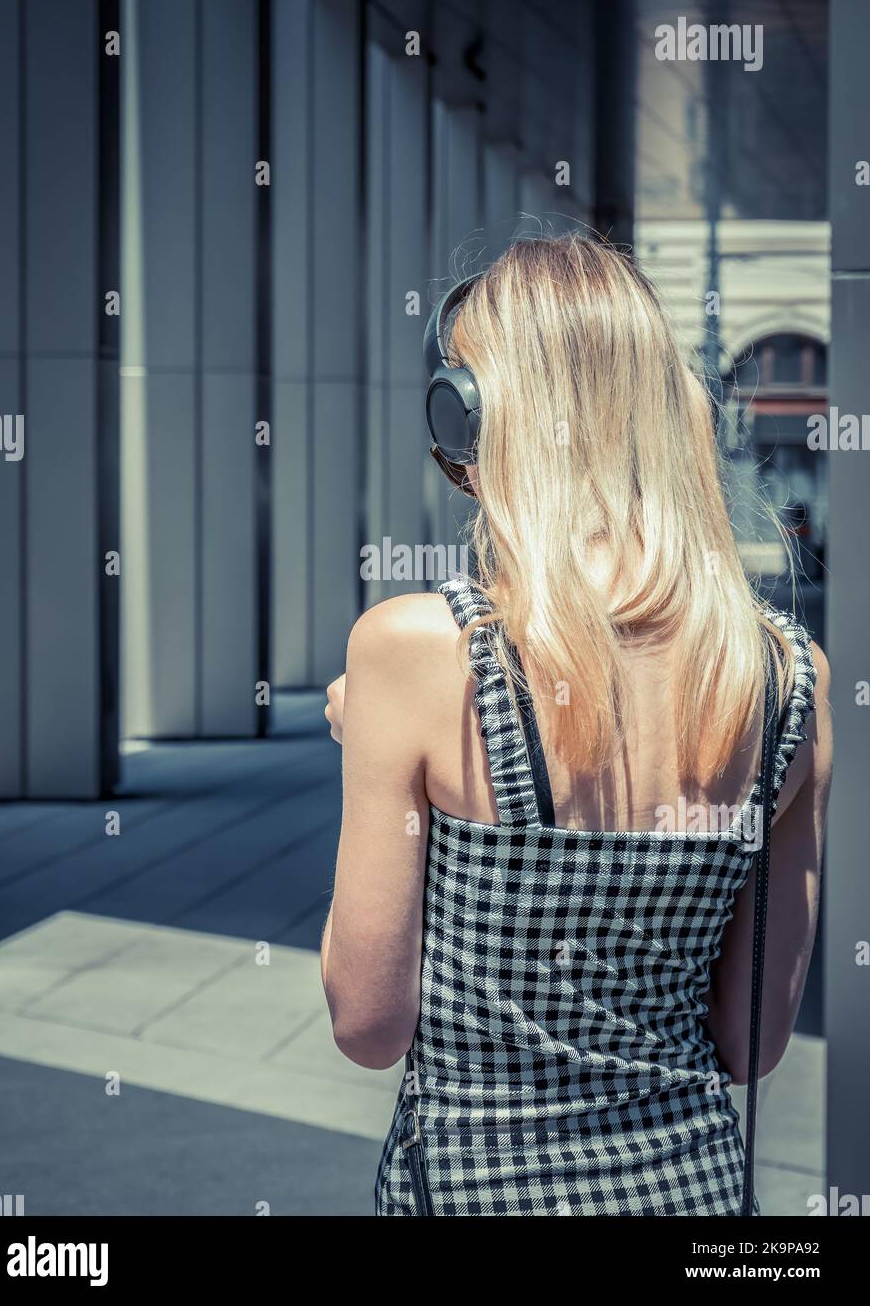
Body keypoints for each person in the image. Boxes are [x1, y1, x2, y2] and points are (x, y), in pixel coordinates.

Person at [319, 235, 832, 1217]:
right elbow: (750, 1040)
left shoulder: (415, 651)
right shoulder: (788, 681)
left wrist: (371, 749)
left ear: (471, 423)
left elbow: (368, 1023)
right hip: (691, 1194)